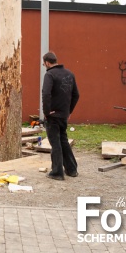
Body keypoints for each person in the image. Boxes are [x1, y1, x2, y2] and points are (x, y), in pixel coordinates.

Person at [42, 51, 80, 181]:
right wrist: (69, 111)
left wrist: (46, 112)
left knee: (55, 143)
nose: (43, 65)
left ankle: (57, 172)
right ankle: (72, 169)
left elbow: (46, 94)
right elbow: (76, 95)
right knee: (63, 141)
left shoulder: (50, 74)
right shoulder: (70, 74)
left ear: (47, 62)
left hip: (53, 115)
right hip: (63, 114)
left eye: (44, 63)